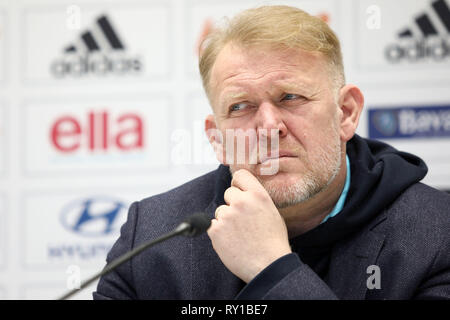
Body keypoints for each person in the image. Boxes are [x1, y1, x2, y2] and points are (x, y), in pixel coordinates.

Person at [93, 5, 450, 300]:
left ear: (346, 113)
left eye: (290, 97)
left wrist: (272, 267)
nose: (268, 126)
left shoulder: (438, 234)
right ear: (217, 139)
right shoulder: (153, 237)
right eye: (240, 106)